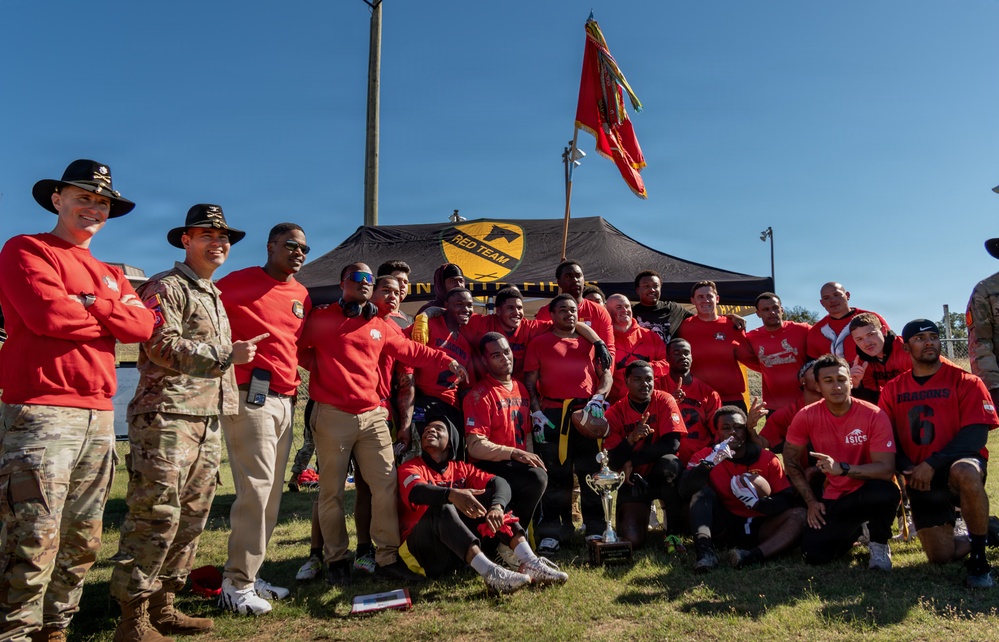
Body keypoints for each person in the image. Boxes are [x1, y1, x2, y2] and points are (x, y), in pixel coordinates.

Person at [0, 160, 154, 642]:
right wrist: (110, 317)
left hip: (97, 416)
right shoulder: (28, 249)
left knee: (83, 538)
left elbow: (145, 327)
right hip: (41, 411)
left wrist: (91, 304)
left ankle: (56, 629)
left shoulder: (108, 273)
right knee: (32, 538)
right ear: (56, 200)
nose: (93, 208)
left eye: (102, 202)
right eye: (83, 197)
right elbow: (48, 316)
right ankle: (16, 632)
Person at [111, 204, 264, 641]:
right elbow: (159, 344)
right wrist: (225, 355)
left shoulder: (211, 294)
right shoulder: (167, 286)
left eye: (225, 238)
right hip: (165, 418)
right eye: (207, 235)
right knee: (155, 516)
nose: (219, 243)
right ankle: (132, 618)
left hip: (204, 418)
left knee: (192, 518)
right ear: (186, 240)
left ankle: (163, 606)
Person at [298, 262, 470, 587]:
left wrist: (445, 359)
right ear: (342, 282)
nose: (363, 283)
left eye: (367, 278)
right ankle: (336, 560)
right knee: (331, 492)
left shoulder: (379, 324)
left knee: (385, 486)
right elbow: (296, 350)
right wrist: (323, 370)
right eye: (357, 278)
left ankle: (387, 556)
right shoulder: (321, 319)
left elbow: (411, 350)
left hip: (374, 415)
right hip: (332, 415)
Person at [215, 222, 312, 615]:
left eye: (305, 248)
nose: (299, 252)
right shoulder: (234, 283)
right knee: (254, 490)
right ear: (271, 246)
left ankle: (249, 577)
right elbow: (199, 320)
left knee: (271, 495)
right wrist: (224, 352)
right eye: (291, 245)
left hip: (287, 401)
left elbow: (297, 345)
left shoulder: (302, 294)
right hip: (247, 396)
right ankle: (235, 584)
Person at [879, 320, 999, 588]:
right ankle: (989, 531)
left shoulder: (966, 381)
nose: (930, 342)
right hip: (920, 475)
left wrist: (932, 463)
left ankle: (979, 562)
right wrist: (908, 468)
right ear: (906, 346)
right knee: (941, 556)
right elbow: (887, 439)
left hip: (958, 464)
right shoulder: (892, 389)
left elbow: (975, 436)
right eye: (921, 338)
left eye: (933, 337)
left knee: (965, 471)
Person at [396, 410, 568, 593]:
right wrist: (451, 494)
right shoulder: (411, 466)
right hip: (422, 552)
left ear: (451, 441)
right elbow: (416, 492)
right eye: (427, 430)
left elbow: (500, 483)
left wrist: (497, 507)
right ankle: (491, 573)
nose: (429, 431)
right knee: (443, 506)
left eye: (438, 429)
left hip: (455, 551)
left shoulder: (461, 468)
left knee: (488, 496)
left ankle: (530, 561)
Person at [782, 355, 900, 569]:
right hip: (835, 495)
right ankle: (857, 529)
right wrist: (810, 502)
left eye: (841, 379)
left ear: (851, 381)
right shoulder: (806, 415)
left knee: (885, 492)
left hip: (870, 490)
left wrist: (842, 469)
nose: (836, 386)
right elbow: (789, 460)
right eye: (828, 381)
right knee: (814, 555)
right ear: (817, 386)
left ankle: (879, 542)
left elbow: (885, 469)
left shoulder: (873, 415)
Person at [524, 294, 613, 553]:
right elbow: (530, 382)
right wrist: (537, 414)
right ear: (551, 315)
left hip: (587, 412)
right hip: (552, 415)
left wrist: (598, 397)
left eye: (572, 310)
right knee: (556, 476)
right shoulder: (539, 342)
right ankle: (554, 531)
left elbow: (605, 375)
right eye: (562, 310)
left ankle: (596, 528)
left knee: (591, 473)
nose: (569, 314)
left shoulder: (590, 342)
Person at [679, 406, 806, 571]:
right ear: (717, 432)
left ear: (745, 431)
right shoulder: (704, 456)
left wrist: (758, 504)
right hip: (724, 524)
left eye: (738, 427)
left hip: (760, 525)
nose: (733, 432)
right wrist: (708, 465)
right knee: (701, 493)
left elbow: (786, 498)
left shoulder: (767, 458)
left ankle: (750, 556)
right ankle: (705, 553)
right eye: (726, 428)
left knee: (800, 515)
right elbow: (683, 490)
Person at [463, 333, 548, 538]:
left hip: (513, 461)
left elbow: (526, 435)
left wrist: (528, 456)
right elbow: (475, 446)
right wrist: (514, 453)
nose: (505, 358)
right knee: (535, 477)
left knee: (538, 470)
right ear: (484, 361)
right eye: (496, 355)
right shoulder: (479, 395)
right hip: (489, 464)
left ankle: (518, 536)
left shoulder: (521, 388)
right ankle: (510, 539)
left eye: (507, 351)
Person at [604, 361, 686, 546]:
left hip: (660, 475)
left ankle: (672, 532)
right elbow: (612, 459)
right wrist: (631, 439)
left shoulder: (665, 400)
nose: (645, 384)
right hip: (634, 479)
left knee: (671, 464)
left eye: (649, 379)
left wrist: (632, 459)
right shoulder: (615, 413)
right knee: (632, 540)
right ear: (626, 382)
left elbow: (672, 444)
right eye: (637, 379)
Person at [408, 287, 476, 458]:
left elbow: (465, 386)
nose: (465, 309)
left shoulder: (465, 344)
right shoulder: (429, 324)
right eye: (459, 304)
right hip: (422, 400)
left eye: (469, 305)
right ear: (446, 305)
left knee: (453, 456)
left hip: (451, 406)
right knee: (422, 452)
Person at [676, 281, 754, 409]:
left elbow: (750, 359)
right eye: (700, 297)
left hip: (731, 399)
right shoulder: (684, 327)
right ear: (693, 301)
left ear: (717, 299)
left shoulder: (732, 325)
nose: (705, 300)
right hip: (698, 399)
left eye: (709, 296)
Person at [741, 292, 810, 412]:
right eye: (766, 309)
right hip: (774, 408)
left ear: (782, 309)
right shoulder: (751, 338)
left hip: (805, 403)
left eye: (775, 308)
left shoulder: (803, 330)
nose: (772, 312)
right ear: (758, 313)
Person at [535, 259, 616, 361]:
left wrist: (605, 374)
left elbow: (608, 349)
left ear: (583, 279)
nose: (575, 280)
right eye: (568, 276)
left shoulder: (600, 311)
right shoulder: (546, 312)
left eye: (578, 276)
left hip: (592, 374)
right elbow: (539, 348)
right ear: (559, 282)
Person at [661, 338, 722, 464]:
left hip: (700, 459)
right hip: (666, 458)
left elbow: (719, 431)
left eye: (686, 353)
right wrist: (669, 402)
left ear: (692, 357)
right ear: (667, 358)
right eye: (677, 353)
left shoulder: (709, 394)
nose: (683, 357)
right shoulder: (656, 387)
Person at [605, 294, 668, 404]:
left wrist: (645, 369)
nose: (625, 310)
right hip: (618, 406)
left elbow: (668, 363)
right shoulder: (604, 339)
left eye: (627, 306)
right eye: (619, 307)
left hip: (651, 402)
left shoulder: (650, 336)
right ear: (608, 311)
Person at [806, 282, 889, 363]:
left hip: (874, 375)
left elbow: (892, 348)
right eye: (826, 298)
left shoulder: (872, 319)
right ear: (822, 303)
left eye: (836, 295)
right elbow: (813, 367)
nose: (832, 300)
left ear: (847, 295)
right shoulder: (815, 331)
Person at [848, 312, 912, 404]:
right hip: (885, 408)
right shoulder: (860, 363)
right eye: (859, 339)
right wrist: (856, 385)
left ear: (883, 331)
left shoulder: (906, 350)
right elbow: (869, 404)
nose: (867, 343)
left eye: (870, 334)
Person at [631, 269, 692, 344]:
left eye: (656, 286)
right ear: (638, 290)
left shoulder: (673, 309)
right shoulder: (630, 312)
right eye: (646, 286)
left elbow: (701, 319)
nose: (652, 289)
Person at [377, 260, 414, 328]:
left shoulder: (411, 321)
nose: (403, 285)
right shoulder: (369, 315)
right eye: (398, 280)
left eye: (405, 282)